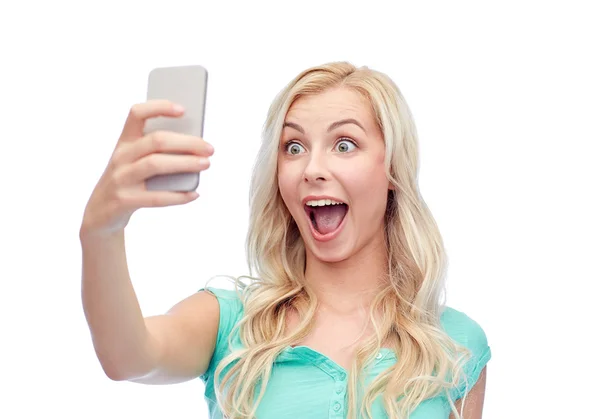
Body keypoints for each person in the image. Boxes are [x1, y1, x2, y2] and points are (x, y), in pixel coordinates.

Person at [80, 61, 491, 419]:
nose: (312, 168)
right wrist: (101, 232)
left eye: (344, 145)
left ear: (393, 170)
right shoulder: (229, 321)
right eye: (293, 147)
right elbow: (126, 357)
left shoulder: (455, 343)